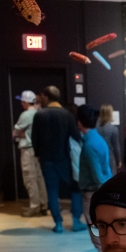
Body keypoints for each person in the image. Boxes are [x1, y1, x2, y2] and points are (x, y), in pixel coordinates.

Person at [33, 86, 86, 233]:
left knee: (52, 191)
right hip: (65, 158)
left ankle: (58, 223)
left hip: (46, 159)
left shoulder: (39, 115)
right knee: (75, 188)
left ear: (46, 97)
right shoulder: (67, 115)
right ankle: (76, 221)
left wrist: (38, 154)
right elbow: (75, 136)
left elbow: (35, 139)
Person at [78, 105, 115, 252]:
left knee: (98, 237)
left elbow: (98, 177)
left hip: (93, 195)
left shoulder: (89, 145)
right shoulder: (97, 140)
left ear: (79, 122)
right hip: (98, 194)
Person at [13, 90, 47, 217]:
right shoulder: (40, 112)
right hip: (39, 149)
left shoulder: (26, 115)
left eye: (22, 102)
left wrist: (20, 134)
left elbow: (15, 132)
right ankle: (44, 204)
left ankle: (34, 206)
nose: (21, 104)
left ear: (25, 102)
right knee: (39, 177)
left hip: (28, 149)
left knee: (29, 178)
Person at [98, 104, 122, 173]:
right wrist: (118, 160)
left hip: (97, 155)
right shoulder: (113, 128)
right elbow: (116, 146)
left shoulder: (95, 127)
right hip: (109, 156)